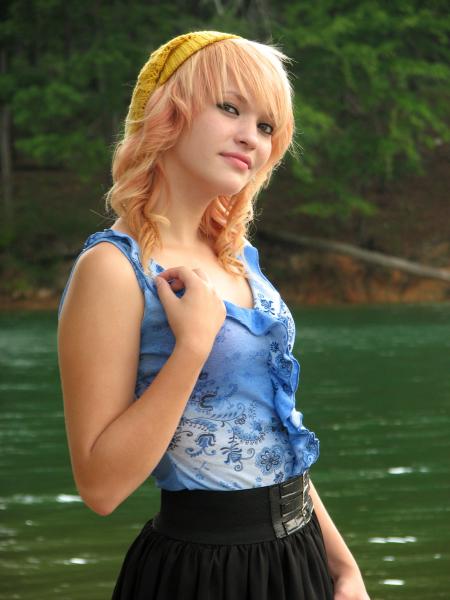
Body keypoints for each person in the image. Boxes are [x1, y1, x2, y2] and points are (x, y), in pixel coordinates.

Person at [57, 30, 370, 600]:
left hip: (300, 554)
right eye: (230, 108)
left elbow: (275, 431)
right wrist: (192, 346)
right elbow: (99, 486)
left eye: (267, 126)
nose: (251, 137)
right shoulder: (112, 268)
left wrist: (343, 567)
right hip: (205, 572)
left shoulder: (238, 260)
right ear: (169, 112)